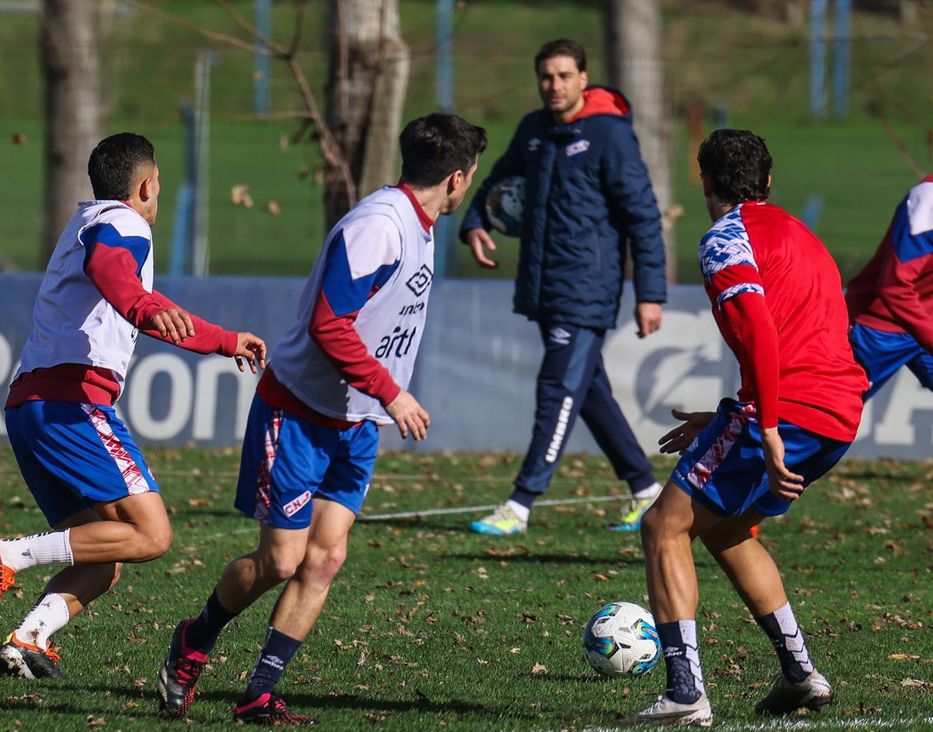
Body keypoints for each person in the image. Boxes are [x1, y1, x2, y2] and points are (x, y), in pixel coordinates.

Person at [157, 113, 487, 725]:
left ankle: (259, 692)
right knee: (281, 560)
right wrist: (392, 393)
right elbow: (328, 324)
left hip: (355, 422)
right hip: (301, 414)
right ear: (458, 178)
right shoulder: (378, 229)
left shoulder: (423, 221)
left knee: (326, 558)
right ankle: (193, 640)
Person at [0, 132, 266, 679]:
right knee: (152, 535)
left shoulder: (87, 221)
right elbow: (112, 269)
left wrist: (222, 339)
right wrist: (137, 302)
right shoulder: (124, 224)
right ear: (146, 186)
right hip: (70, 403)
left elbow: (143, 299)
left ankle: (25, 640)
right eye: (159, 188)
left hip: (31, 404)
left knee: (105, 558)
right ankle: (10, 555)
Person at [627, 129, 868, 726]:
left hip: (789, 409)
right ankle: (800, 674)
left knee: (662, 525)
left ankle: (685, 691)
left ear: (704, 181)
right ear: (768, 181)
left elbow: (761, 332)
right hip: (837, 413)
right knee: (728, 527)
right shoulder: (803, 236)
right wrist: (731, 416)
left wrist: (762, 425)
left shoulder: (725, 239)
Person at [460, 38, 667, 537]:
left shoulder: (609, 135)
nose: (554, 85)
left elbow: (642, 215)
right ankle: (646, 493)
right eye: (546, 77)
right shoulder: (534, 130)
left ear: (583, 78)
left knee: (556, 389)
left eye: (564, 76)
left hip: (587, 288)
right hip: (544, 285)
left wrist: (650, 293)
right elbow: (495, 181)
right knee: (587, 390)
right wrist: (473, 220)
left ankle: (520, 502)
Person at [846, 175, 932, 399]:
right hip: (876, 327)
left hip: (925, 321)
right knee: (821, 421)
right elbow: (895, 287)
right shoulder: (928, 199)